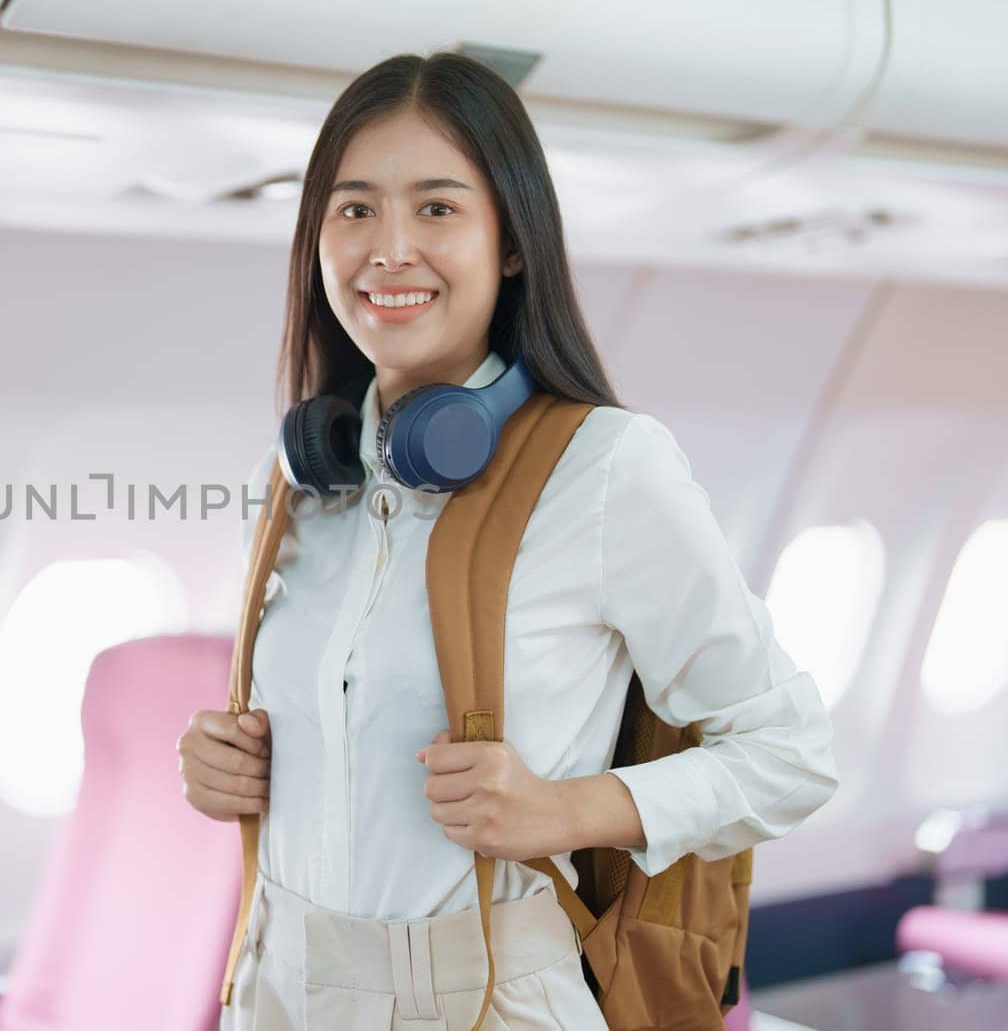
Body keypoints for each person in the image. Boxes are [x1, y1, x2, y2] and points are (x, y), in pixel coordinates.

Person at [176, 50, 838, 1030]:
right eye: (354, 209)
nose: (387, 248)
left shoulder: (607, 466)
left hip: (486, 994)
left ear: (511, 242)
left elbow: (792, 752)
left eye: (436, 208)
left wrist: (570, 807)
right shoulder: (301, 478)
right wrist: (220, 762)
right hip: (280, 981)